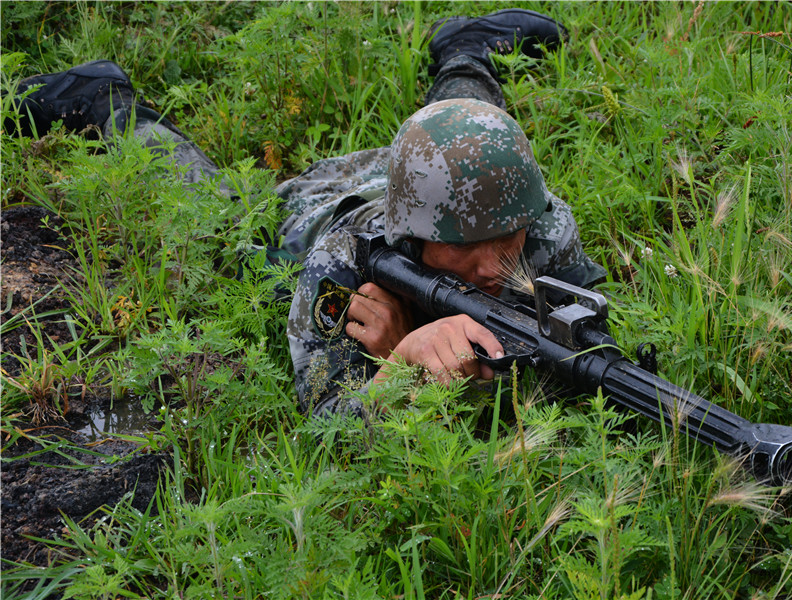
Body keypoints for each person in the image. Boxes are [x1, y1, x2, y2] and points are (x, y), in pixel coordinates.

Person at [9, 8, 606, 417]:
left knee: (469, 130)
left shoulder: (536, 218)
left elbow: (582, 348)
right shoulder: (345, 260)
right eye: (463, 245)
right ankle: (105, 99)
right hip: (318, 208)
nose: (490, 265)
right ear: (414, 235)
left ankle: (463, 49)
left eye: (506, 237)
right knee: (214, 216)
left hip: (433, 176)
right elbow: (327, 424)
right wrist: (399, 373)